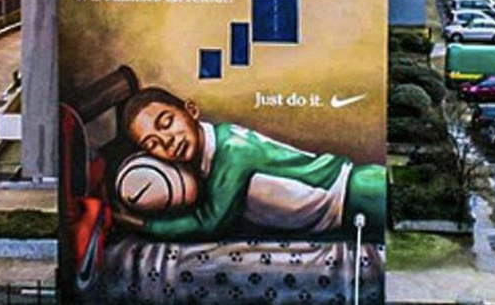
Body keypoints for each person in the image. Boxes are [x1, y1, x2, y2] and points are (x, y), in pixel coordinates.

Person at [115, 86, 385, 242]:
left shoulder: (232, 151)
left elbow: (210, 223)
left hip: (356, 192)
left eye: (166, 122)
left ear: (191, 110)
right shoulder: (205, 158)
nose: (166, 141)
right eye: (151, 144)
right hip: (346, 205)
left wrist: (142, 225)